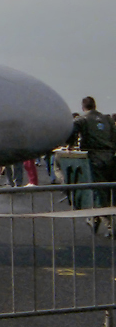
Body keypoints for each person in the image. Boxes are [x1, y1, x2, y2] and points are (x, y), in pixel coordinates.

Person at [67, 96, 115, 235]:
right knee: (108, 191)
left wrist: (70, 145)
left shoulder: (82, 119)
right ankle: (95, 218)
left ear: (83, 107)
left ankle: (110, 225)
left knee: (98, 191)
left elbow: (72, 130)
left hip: (94, 158)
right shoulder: (108, 119)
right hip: (110, 157)